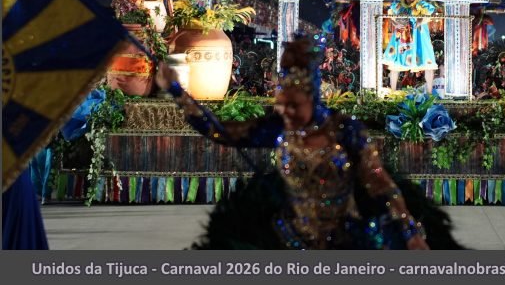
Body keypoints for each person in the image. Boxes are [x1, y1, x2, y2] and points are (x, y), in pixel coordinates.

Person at [156, 35, 462, 250]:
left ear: (313, 99)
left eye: (293, 106)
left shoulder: (345, 131)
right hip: (291, 237)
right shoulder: (279, 128)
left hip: (346, 237)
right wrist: (176, 91)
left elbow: (380, 184)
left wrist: (410, 232)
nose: (285, 112)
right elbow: (219, 131)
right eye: (281, 105)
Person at [382, 0, 438, 93]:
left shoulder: (422, 5)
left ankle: (429, 93)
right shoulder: (397, 5)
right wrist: (396, 24)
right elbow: (391, 17)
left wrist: (420, 21)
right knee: (395, 63)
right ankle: (393, 92)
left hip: (419, 37)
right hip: (401, 37)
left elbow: (431, 13)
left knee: (428, 62)